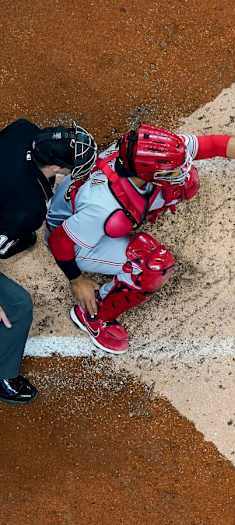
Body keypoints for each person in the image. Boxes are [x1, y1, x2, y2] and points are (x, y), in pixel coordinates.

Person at [46, 124, 235, 354]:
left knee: (187, 182)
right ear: (147, 173)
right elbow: (60, 241)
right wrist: (76, 280)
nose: (180, 169)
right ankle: (94, 314)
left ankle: (140, 213)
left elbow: (214, 144)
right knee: (153, 264)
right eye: (170, 170)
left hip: (94, 214)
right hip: (77, 240)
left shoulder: (150, 152)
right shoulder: (103, 207)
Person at [0, 118, 96, 404]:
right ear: (55, 166)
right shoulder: (27, 209)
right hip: (12, 206)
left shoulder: (24, 131)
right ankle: (3, 376)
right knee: (17, 306)